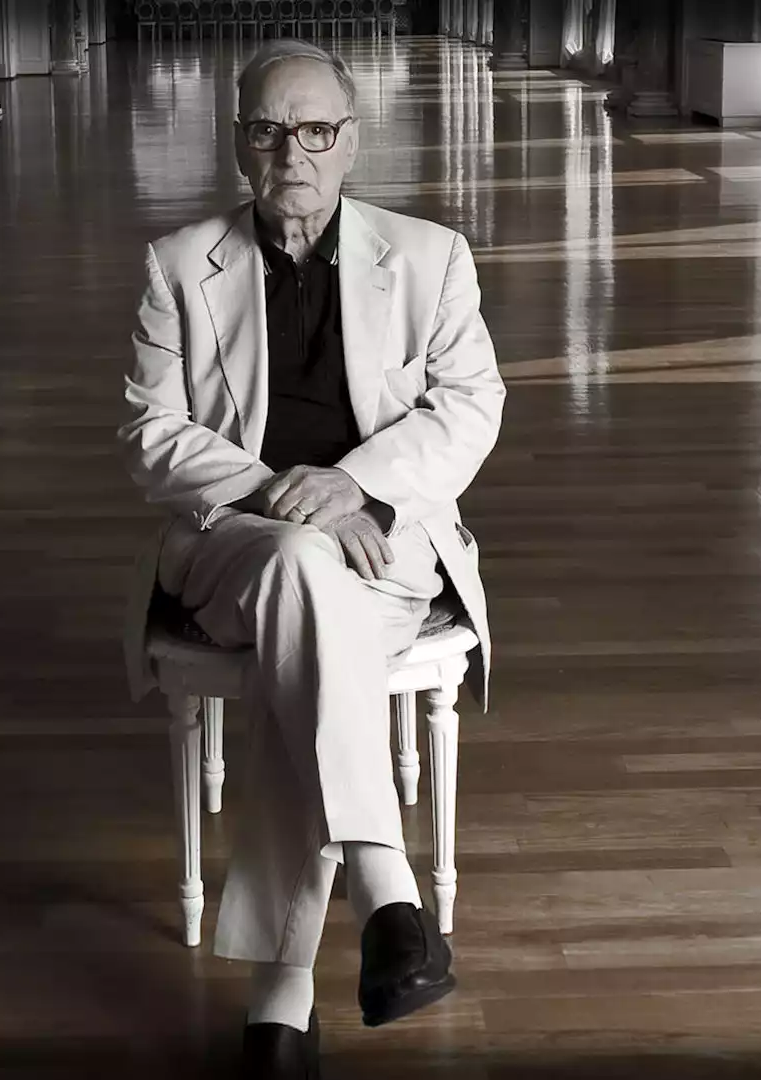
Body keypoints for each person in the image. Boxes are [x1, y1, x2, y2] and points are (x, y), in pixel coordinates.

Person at [116, 39, 505, 1078]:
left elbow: (471, 409)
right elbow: (151, 436)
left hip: (384, 547)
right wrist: (281, 493)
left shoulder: (429, 257)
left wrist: (357, 485)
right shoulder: (178, 265)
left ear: (352, 141)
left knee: (309, 643)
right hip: (232, 547)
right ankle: (388, 891)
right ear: (238, 141)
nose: (293, 151)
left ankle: (281, 1003)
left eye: (317, 129)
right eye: (268, 129)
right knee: (296, 563)